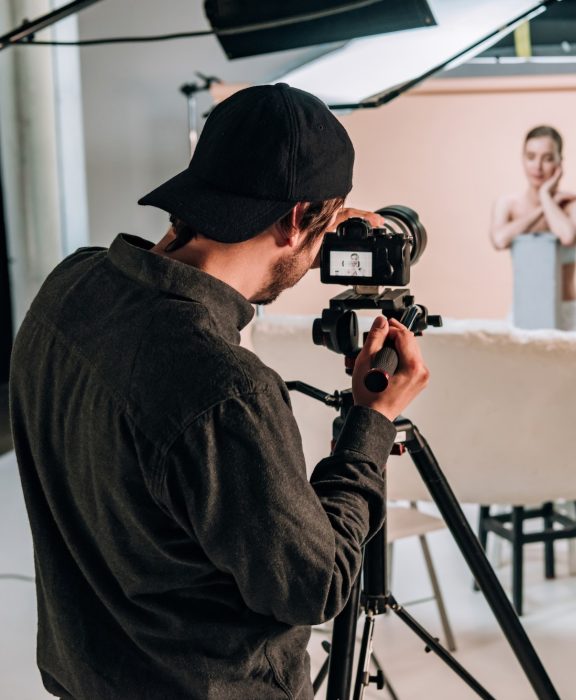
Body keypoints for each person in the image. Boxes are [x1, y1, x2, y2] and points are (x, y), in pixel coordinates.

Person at [9, 84, 429, 699]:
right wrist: (373, 420)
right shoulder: (227, 389)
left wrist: (315, 222)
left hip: (86, 678)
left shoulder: (70, 286)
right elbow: (315, 587)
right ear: (295, 220)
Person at [490, 125, 576, 331]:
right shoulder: (507, 203)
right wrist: (542, 210)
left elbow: (568, 236)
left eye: (547, 158)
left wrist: (545, 195)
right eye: (531, 156)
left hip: (566, 312)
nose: (538, 166)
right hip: (522, 310)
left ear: (559, 162)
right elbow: (499, 240)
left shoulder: (575, 203)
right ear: (522, 159)